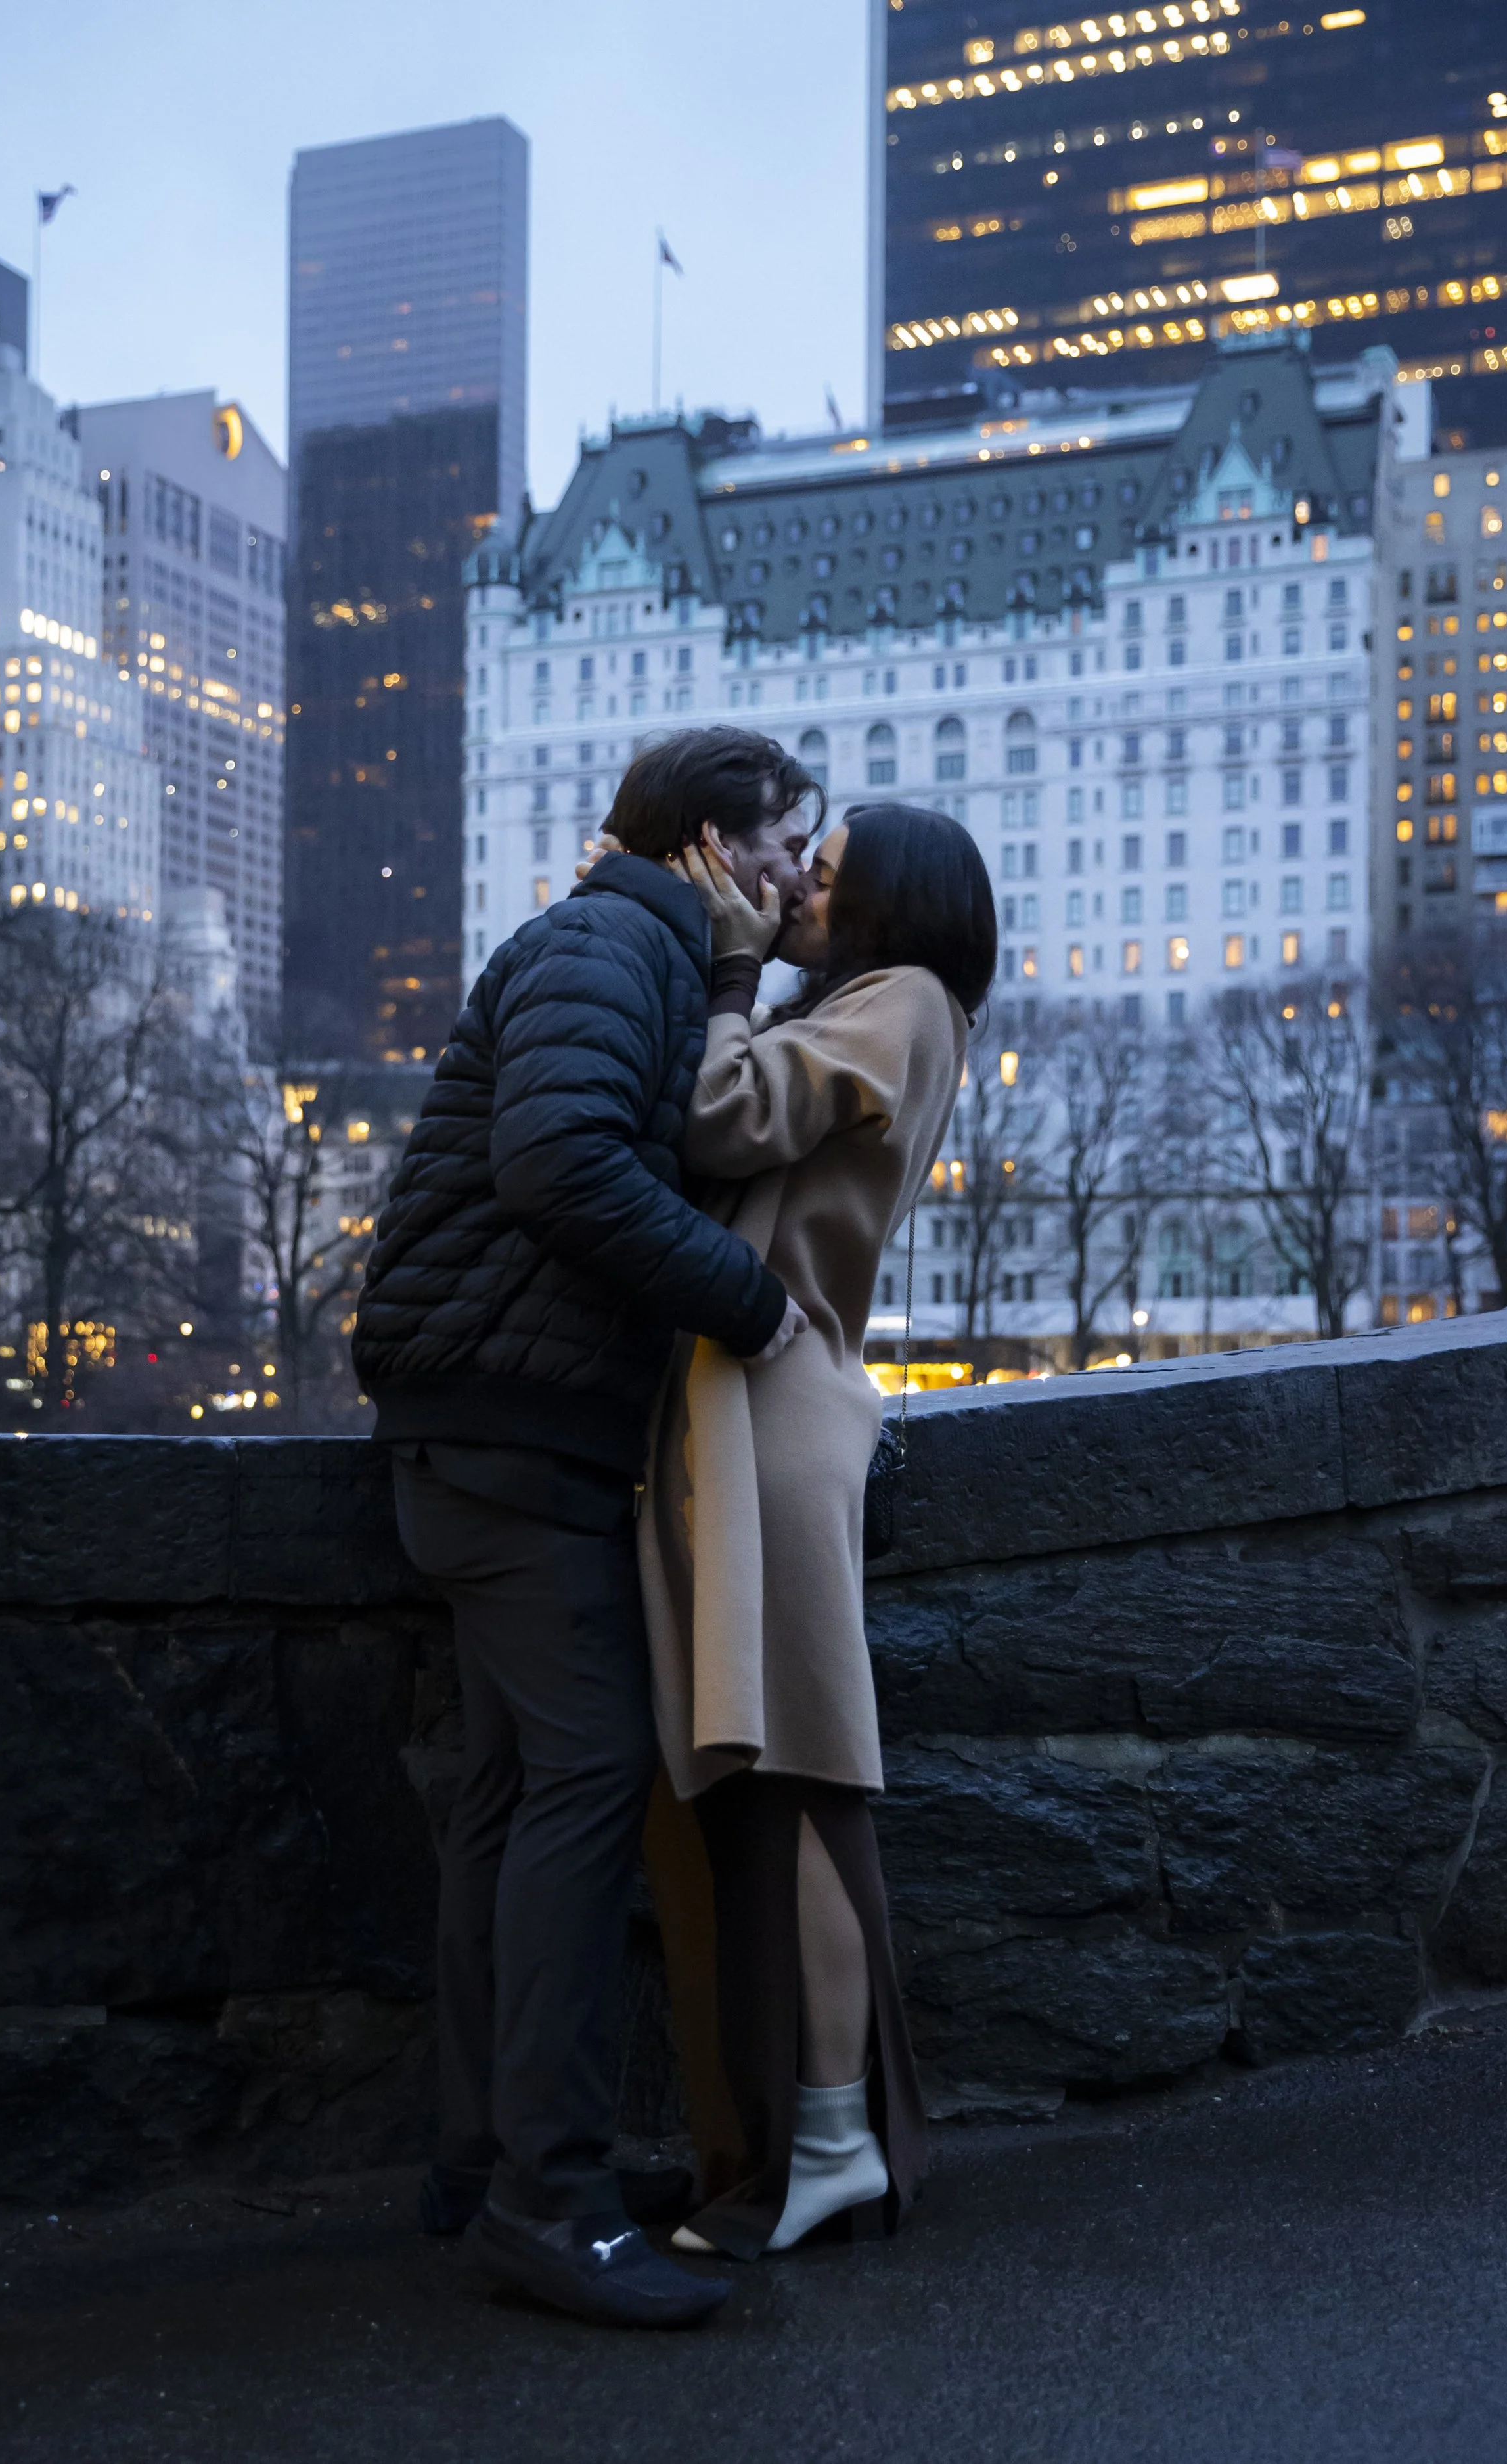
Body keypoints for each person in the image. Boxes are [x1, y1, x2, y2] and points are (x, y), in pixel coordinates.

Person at [351, 727, 817, 2329]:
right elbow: (558, 1161)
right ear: (700, 844)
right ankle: (546, 2205)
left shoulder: (634, 949)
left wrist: (734, 985)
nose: (786, 881)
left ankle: (481, 2169)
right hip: (509, 1435)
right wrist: (754, 1306)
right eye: (771, 849)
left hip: (479, 1430)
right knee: (577, 1790)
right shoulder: (605, 939)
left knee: (503, 1801)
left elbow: (655, 1126)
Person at [638, 802, 997, 2261]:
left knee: (797, 1787)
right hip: (751, 1409)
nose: (794, 897)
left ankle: (837, 2143)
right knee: (765, 1785)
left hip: (774, 1416)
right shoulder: (876, 1004)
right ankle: (808, 2141)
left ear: (888, 908)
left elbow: (720, 1115)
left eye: (826, 882)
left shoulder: (904, 1002)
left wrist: (724, 975)